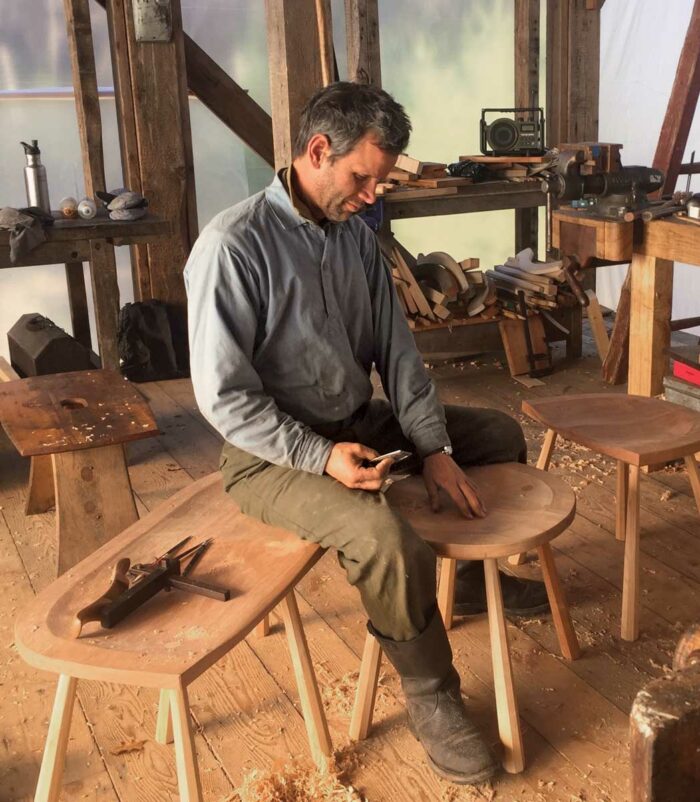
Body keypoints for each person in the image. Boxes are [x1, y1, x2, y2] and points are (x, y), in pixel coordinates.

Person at [185, 81, 548, 785]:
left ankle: (467, 586)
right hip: (269, 453)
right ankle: (432, 693)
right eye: (363, 177)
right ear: (317, 151)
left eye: (382, 180)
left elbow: (398, 352)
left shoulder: (356, 237)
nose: (374, 194)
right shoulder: (233, 248)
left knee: (498, 437)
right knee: (385, 540)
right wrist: (320, 457)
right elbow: (225, 400)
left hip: (357, 421)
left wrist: (434, 449)